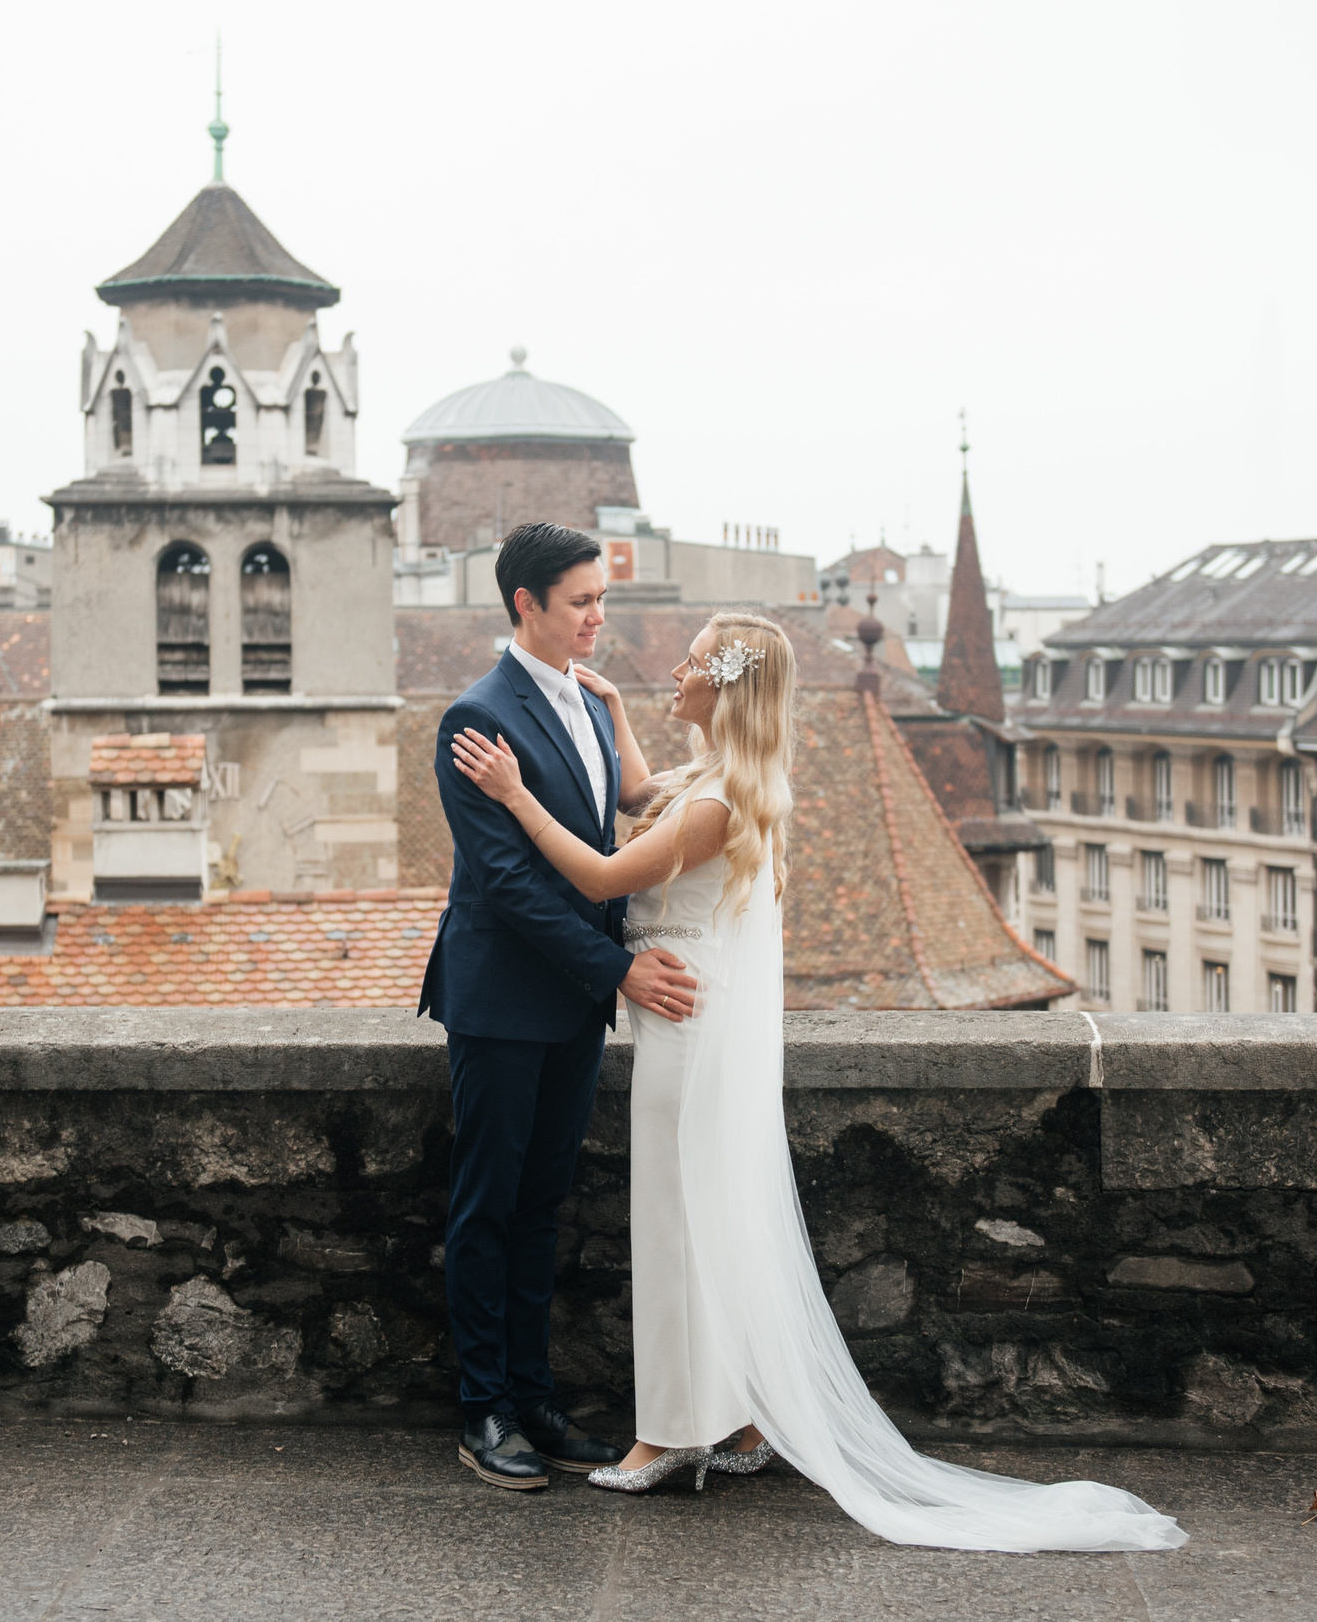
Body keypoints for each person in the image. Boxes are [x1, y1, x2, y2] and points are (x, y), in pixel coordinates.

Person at [448, 611, 1188, 1554]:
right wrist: (624, 714)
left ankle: (669, 1436)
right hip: (692, 1028)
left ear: (725, 684)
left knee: (679, 1231)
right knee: (715, 1224)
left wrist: (514, 793)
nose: (673, 669)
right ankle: (749, 1419)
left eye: (691, 662)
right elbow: (642, 791)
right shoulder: (720, 780)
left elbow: (600, 875)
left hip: (685, 1040)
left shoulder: (720, 801)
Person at [417, 522, 700, 1492]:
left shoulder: (583, 697)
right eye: (580, 600)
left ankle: (533, 1395)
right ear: (523, 604)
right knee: (487, 1207)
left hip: (571, 1003)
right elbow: (507, 883)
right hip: (500, 999)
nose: (596, 616)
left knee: (541, 1206)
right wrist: (618, 970)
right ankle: (483, 1409)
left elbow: (623, 816)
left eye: (601, 598)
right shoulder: (474, 717)